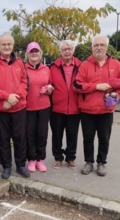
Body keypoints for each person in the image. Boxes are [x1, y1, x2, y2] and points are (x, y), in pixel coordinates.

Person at [73, 34, 120, 176]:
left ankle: (101, 163)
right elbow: (77, 85)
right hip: (87, 110)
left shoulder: (116, 65)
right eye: (96, 45)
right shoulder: (84, 65)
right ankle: (89, 162)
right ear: (92, 48)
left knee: (104, 139)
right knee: (88, 138)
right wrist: (96, 86)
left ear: (107, 47)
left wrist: (117, 96)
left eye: (102, 45)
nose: (99, 48)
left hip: (106, 110)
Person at [0, 33, 30, 179]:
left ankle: (20, 165)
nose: (6, 47)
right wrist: (6, 97)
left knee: (20, 138)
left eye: (9, 44)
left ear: (13, 46)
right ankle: (6, 166)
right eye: (3, 44)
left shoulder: (19, 63)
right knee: (3, 139)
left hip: (18, 108)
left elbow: (25, 83)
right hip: (1, 109)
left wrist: (13, 99)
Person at [49, 40, 81, 170]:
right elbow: (48, 83)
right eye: (64, 49)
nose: (67, 51)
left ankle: (70, 157)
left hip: (75, 107)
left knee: (72, 134)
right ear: (60, 51)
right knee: (56, 135)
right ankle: (58, 158)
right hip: (57, 107)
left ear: (73, 50)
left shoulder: (81, 66)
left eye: (69, 48)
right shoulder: (53, 67)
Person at [25, 42, 52, 172]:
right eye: (31, 51)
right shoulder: (23, 69)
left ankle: (40, 159)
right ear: (27, 54)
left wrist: (48, 89)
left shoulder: (46, 69)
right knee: (29, 134)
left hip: (44, 106)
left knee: (42, 133)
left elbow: (51, 86)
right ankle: (31, 159)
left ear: (40, 53)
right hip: (28, 107)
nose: (34, 53)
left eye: (36, 51)